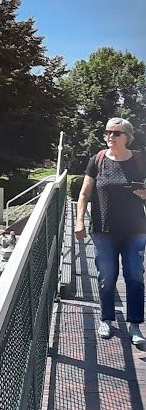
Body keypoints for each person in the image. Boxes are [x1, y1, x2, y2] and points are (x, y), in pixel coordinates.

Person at [77, 117, 146, 346]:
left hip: (135, 230)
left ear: (127, 136)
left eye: (116, 133)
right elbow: (85, 194)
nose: (110, 137)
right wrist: (80, 221)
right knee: (107, 278)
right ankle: (106, 319)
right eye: (107, 132)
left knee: (135, 276)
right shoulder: (97, 161)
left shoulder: (138, 160)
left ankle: (135, 325)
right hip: (103, 231)